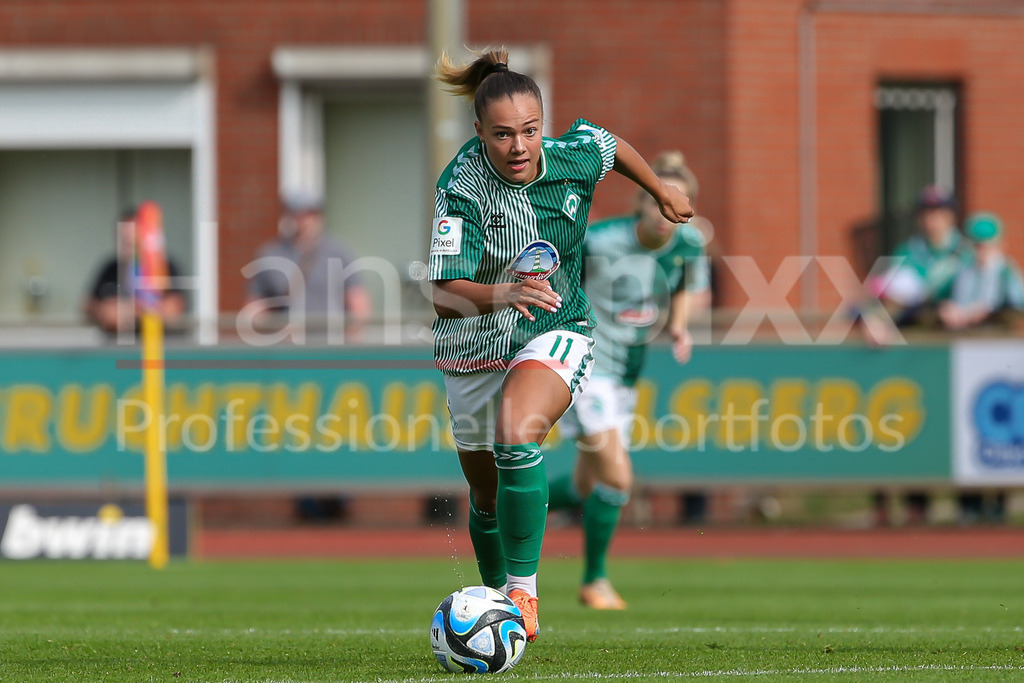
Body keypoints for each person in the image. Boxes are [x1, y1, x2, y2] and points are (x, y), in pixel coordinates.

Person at [428, 48, 693, 642]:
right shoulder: (460, 186)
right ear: (479, 134)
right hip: (473, 339)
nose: (519, 146)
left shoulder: (571, 157)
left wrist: (659, 191)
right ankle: (495, 597)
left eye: (529, 130)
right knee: (486, 494)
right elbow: (443, 293)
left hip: (558, 327)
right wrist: (501, 294)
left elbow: (609, 144)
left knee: (516, 432)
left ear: (543, 125)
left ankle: (522, 594)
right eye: (502, 135)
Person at [549, 150, 710, 610]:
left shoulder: (689, 243)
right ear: (640, 200)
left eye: (678, 202)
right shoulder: (599, 241)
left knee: (585, 487)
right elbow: (559, 284)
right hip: (585, 364)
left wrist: (678, 324)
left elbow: (681, 285)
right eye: (658, 199)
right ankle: (594, 581)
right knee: (618, 477)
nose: (666, 211)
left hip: (625, 374)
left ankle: (510, 510)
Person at [243, 191, 371, 339]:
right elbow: (254, 308)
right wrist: (276, 327)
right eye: (296, 214)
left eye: (309, 214)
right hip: (286, 349)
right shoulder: (270, 254)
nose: (302, 220)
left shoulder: (339, 252)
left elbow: (358, 303)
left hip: (330, 347)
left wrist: (349, 343)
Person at [857, 185, 973, 344]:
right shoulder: (907, 251)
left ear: (950, 216)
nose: (930, 220)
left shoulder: (967, 251)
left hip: (962, 335)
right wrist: (875, 319)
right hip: (916, 332)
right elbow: (891, 291)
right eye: (925, 214)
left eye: (937, 213)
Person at [84, 208, 186, 337]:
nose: (128, 243)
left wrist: (132, 309)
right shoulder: (110, 268)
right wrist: (101, 311)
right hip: (117, 347)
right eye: (123, 239)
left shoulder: (163, 266)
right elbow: (88, 305)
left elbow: (173, 309)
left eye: (132, 239)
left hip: (158, 346)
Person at [938, 212, 1024, 331]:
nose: (981, 252)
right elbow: (941, 296)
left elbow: (1018, 305)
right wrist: (946, 307)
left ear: (999, 245)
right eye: (976, 246)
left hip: (995, 338)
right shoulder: (961, 269)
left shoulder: (1006, 272)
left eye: (986, 246)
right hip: (961, 335)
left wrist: (991, 311)